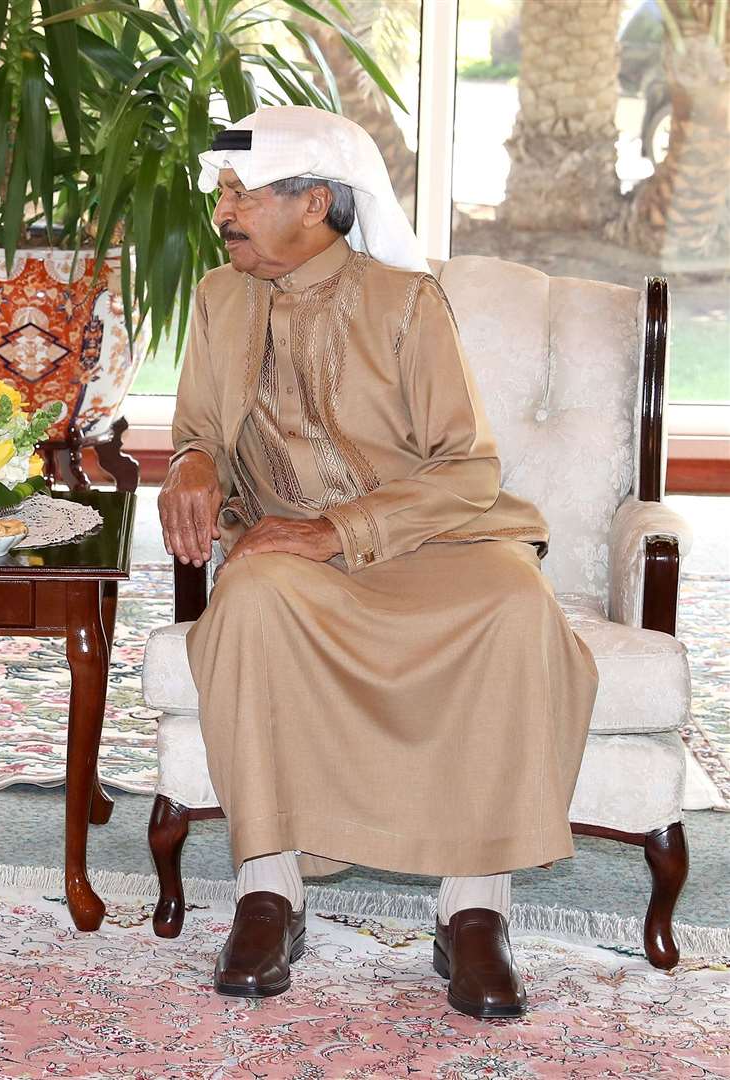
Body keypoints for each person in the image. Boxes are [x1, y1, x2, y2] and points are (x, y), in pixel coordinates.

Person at [158, 106, 597, 1019]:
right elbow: (196, 430)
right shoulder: (218, 296)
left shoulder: (403, 302)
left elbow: (468, 466)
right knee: (249, 598)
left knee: (515, 610)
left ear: (314, 201)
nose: (224, 212)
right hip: (290, 554)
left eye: (242, 193)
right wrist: (190, 461)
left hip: (431, 538)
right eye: (222, 194)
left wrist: (339, 530)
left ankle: (473, 913)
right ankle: (267, 895)